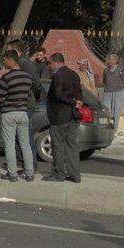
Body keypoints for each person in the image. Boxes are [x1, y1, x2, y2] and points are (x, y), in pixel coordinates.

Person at [42, 53, 83, 183]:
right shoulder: (74, 74)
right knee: (72, 146)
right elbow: (79, 93)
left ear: (57, 62)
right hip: (73, 115)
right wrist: (78, 102)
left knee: (58, 146)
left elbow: (58, 95)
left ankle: (58, 174)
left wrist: (72, 102)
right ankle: (75, 175)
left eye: (50, 63)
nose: (49, 66)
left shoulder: (58, 75)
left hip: (60, 116)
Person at [0, 50, 34, 182]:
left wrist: (2, 109)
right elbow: (29, 95)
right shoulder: (28, 78)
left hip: (9, 113)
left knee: (10, 145)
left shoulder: (6, 78)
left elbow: (1, 97)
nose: (4, 63)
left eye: (5, 60)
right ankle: (29, 173)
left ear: (10, 60)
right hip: (23, 112)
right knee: (25, 144)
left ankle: (12, 174)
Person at [5, 39, 41, 171]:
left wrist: (31, 97)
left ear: (15, 50)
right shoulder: (19, 63)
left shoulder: (25, 63)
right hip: (20, 103)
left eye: (9, 50)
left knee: (25, 135)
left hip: (26, 104)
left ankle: (32, 165)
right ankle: (20, 161)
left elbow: (37, 84)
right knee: (16, 134)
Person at [102, 54, 124, 133]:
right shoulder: (105, 70)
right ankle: (106, 131)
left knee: (117, 113)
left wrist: (119, 89)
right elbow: (104, 80)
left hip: (118, 93)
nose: (107, 61)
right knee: (106, 112)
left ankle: (114, 132)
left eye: (109, 59)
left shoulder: (121, 70)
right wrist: (107, 89)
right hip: (107, 93)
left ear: (115, 61)